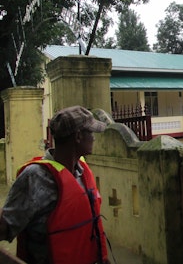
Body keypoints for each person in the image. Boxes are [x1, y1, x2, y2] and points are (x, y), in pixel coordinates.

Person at [0, 105, 110, 264]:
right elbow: (5, 226)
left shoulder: (81, 172)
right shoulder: (35, 177)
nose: (93, 138)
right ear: (78, 136)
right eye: (91, 132)